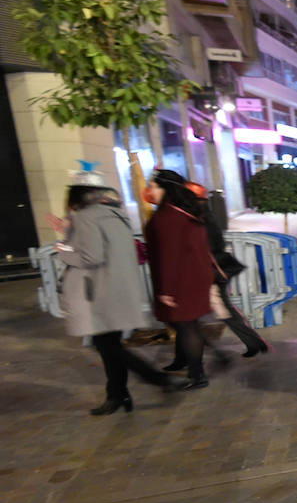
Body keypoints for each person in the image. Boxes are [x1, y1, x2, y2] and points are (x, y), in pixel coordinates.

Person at [49, 172, 168, 413]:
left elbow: (90, 256)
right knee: (108, 345)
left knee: (108, 346)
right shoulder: (114, 215)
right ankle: (118, 395)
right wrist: (68, 230)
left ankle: (154, 379)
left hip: (97, 294)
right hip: (114, 291)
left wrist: (62, 249)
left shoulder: (85, 217)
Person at [145, 170, 215, 390]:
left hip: (179, 280)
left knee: (185, 325)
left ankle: (197, 375)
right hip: (193, 276)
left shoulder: (168, 217)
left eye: (153, 186)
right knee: (186, 323)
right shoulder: (186, 211)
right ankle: (185, 362)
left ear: (165, 188)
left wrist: (167, 289)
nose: (150, 191)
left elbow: (170, 255)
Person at [188, 181, 270, 358]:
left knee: (223, 310)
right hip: (213, 269)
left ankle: (254, 343)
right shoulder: (203, 216)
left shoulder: (199, 219)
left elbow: (206, 248)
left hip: (213, 271)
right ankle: (253, 343)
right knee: (218, 311)